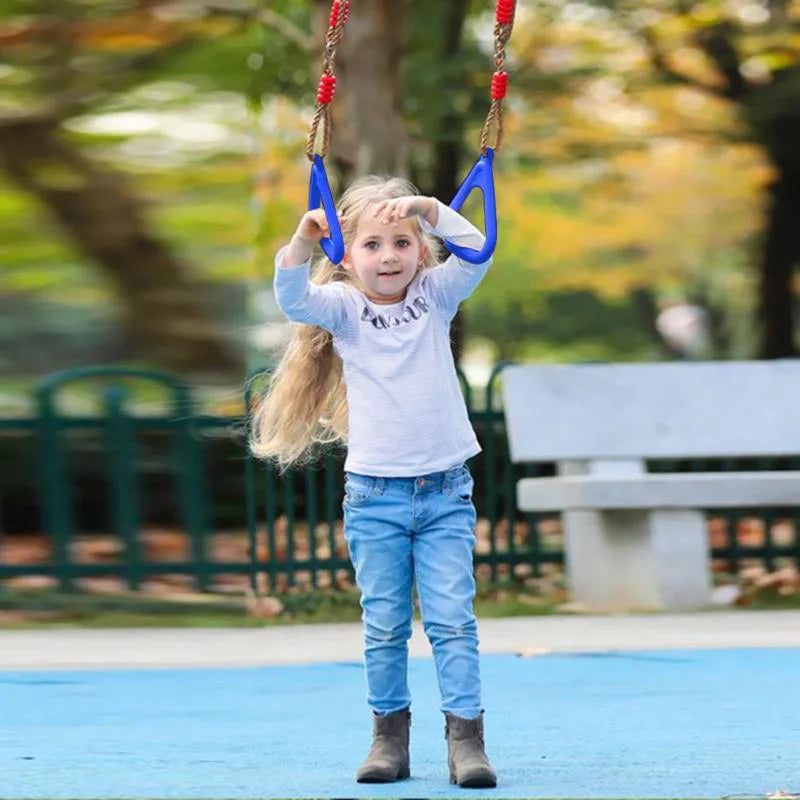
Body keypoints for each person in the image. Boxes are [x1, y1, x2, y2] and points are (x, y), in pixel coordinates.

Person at [251, 175, 497, 788]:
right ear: (346, 255)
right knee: (384, 624)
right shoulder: (344, 308)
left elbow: (478, 249)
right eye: (372, 244)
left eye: (402, 242)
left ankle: (467, 741)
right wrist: (302, 241)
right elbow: (293, 298)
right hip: (375, 496)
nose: (389, 257)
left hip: (445, 492)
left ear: (421, 250)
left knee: (452, 621)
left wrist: (430, 209)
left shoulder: (437, 296)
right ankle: (389, 739)